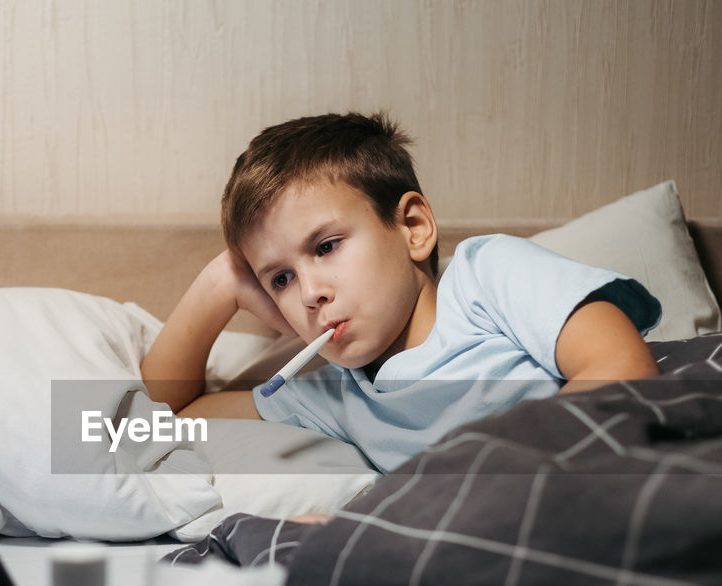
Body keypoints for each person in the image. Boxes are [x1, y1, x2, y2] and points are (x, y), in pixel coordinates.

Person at [141, 112, 661, 472]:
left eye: (325, 247)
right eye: (280, 278)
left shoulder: (486, 277)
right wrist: (220, 283)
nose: (309, 293)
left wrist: (467, 482)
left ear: (413, 227)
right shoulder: (333, 397)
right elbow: (159, 417)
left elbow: (622, 367)